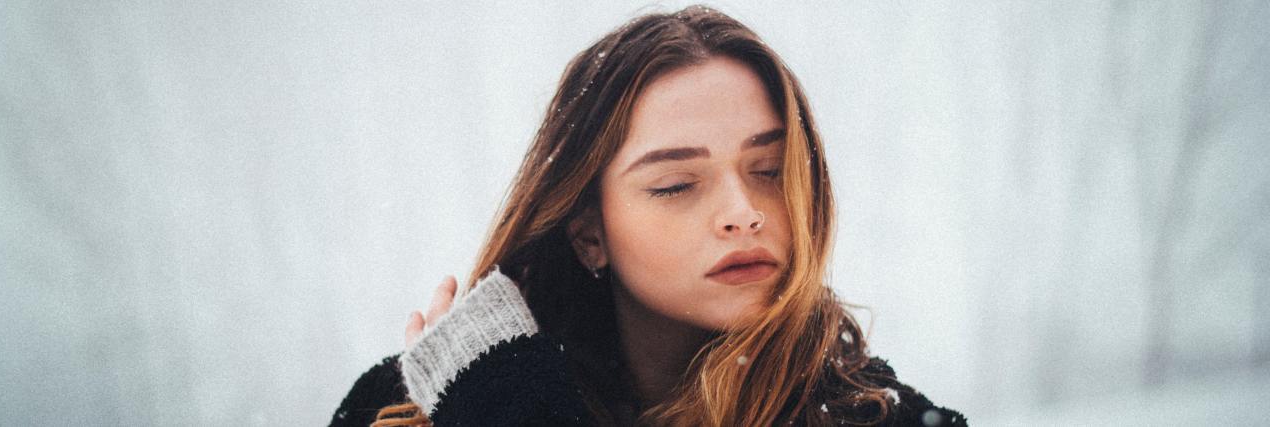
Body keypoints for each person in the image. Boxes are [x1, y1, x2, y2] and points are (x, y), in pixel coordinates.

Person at [331, 5, 967, 426]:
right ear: (588, 233)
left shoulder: (878, 418)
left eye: (769, 171)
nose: (744, 214)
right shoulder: (415, 406)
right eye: (675, 184)